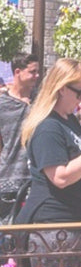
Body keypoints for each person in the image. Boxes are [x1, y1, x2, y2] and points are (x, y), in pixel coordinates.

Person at [15, 58, 81, 267]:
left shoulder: (68, 119)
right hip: (53, 226)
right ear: (61, 88)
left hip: (74, 220)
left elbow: (76, 161)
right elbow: (59, 177)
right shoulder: (48, 127)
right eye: (80, 93)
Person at [0, 53, 40, 207]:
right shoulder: (3, 104)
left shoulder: (41, 101)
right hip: (7, 180)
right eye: (32, 72)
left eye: (37, 72)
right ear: (18, 72)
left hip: (37, 180)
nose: (37, 76)